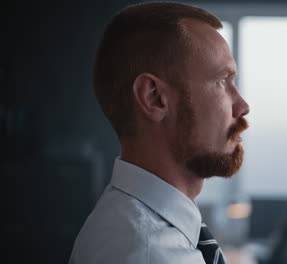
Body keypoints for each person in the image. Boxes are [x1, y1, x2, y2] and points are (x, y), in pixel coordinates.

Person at [69, 2, 250, 264]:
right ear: (154, 98)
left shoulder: (137, 227)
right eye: (222, 81)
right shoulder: (149, 253)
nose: (242, 106)